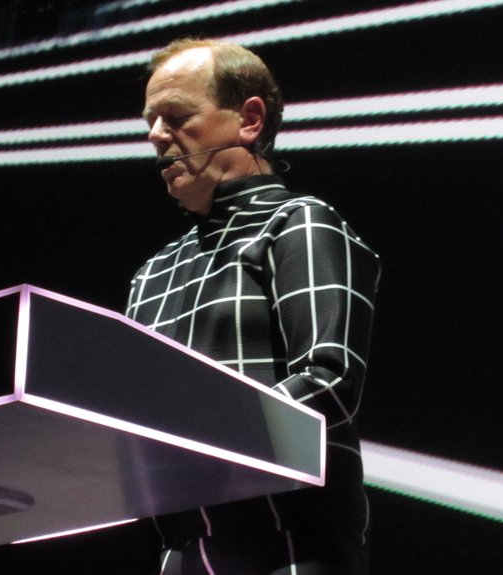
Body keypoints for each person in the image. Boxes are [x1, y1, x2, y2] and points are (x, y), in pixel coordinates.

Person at [126, 38, 381, 575]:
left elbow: (329, 383)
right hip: (181, 554)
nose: (155, 135)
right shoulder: (151, 274)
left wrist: (193, 442)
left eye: (176, 116)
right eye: (150, 122)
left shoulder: (299, 222)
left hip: (291, 548)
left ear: (249, 119)